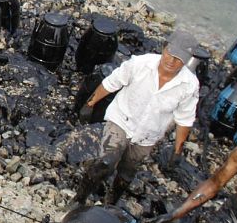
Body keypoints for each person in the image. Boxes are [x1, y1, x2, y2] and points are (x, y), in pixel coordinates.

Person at [76, 30, 201, 206]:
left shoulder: (189, 85)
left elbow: (185, 119)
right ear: (164, 48)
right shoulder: (140, 64)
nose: (172, 61)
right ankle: (80, 197)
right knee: (106, 162)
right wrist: (89, 105)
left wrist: (177, 150)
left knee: (126, 173)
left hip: (147, 136)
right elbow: (112, 83)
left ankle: (111, 202)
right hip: (122, 120)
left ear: (187, 60)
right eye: (170, 54)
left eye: (179, 59)